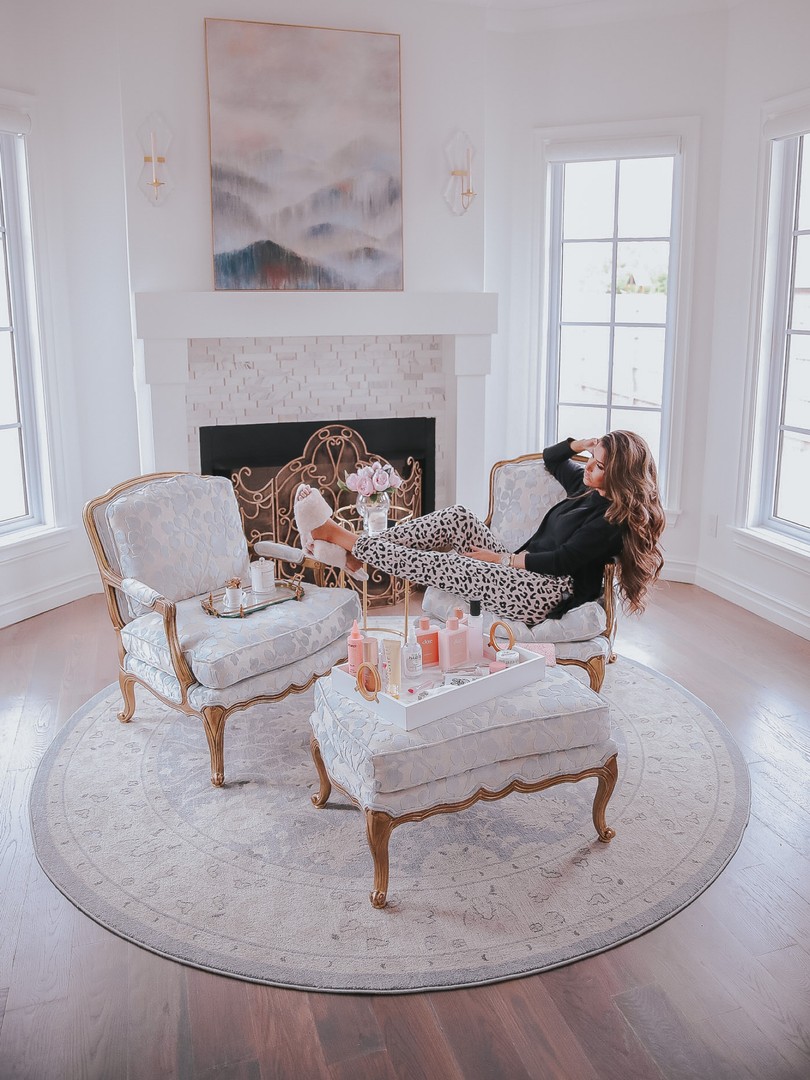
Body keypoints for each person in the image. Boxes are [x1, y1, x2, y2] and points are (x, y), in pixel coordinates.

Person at [293, 433, 666, 625]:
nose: (588, 465)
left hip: (544, 592)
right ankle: (355, 553)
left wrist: (499, 560)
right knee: (457, 516)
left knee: (452, 567)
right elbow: (552, 458)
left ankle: (341, 538)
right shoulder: (586, 488)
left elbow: (562, 561)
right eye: (592, 458)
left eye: (599, 465)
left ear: (617, 476)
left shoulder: (610, 521)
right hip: (522, 568)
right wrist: (582, 444)